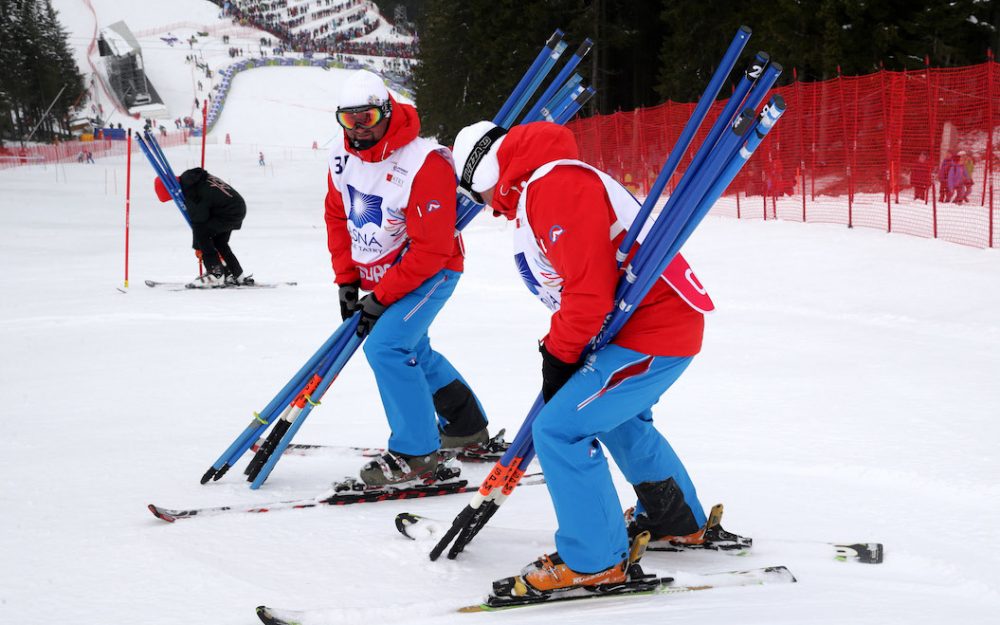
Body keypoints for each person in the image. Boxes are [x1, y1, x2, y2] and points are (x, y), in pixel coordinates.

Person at [451, 120, 742, 598]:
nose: (484, 208)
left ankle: (594, 561)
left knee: (558, 429)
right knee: (614, 419)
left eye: (475, 194)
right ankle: (673, 517)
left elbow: (587, 294)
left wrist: (559, 356)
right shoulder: (545, 182)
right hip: (644, 328)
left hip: (651, 332)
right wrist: (563, 352)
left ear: (483, 175)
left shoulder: (553, 185)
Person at [324, 70, 490, 486]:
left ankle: (417, 454)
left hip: (432, 271)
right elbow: (336, 215)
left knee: (387, 346)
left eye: (367, 118)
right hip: (386, 273)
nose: (359, 130)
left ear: (387, 111)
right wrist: (347, 279)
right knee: (413, 347)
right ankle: (465, 425)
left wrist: (380, 298)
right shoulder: (341, 159)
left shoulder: (424, 162)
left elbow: (431, 250)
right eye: (349, 120)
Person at [153, 168, 251, 287]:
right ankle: (236, 274)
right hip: (236, 207)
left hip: (228, 212)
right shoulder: (193, 180)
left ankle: (216, 275)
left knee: (203, 233)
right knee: (219, 242)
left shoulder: (192, 192)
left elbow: (199, 223)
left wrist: (199, 247)